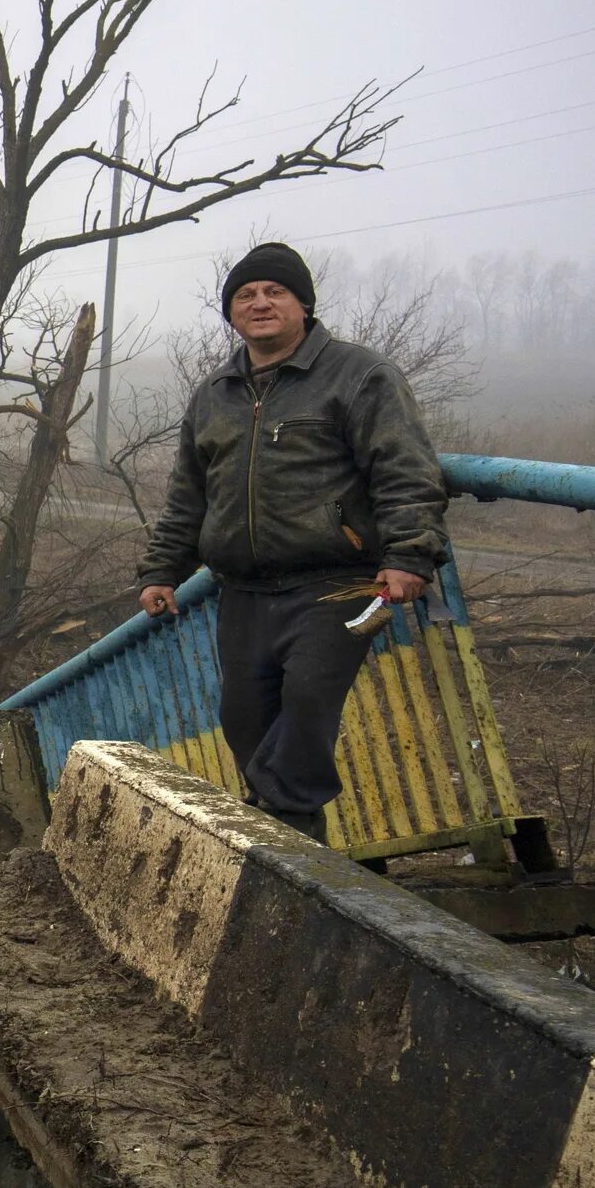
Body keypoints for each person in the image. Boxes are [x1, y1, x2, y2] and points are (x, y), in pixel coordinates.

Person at [136, 241, 450, 843]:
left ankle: (273, 838)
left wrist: (409, 554)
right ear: (231, 313)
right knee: (244, 720)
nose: (260, 303)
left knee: (308, 702)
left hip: (338, 583)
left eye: (274, 292)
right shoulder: (214, 396)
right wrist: (161, 572)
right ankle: (295, 840)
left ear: (304, 303)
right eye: (245, 295)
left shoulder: (360, 376)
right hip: (243, 590)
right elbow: (189, 497)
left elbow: (405, 470)